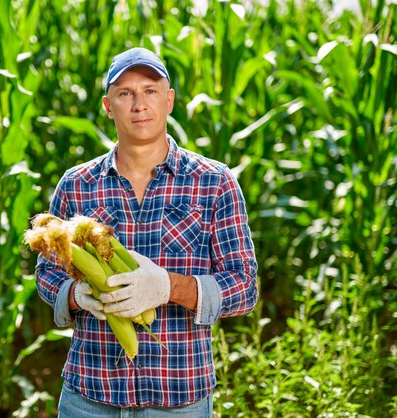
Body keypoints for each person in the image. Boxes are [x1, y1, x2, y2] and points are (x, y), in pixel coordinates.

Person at [35, 47, 258, 417]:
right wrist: (77, 294)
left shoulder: (214, 183)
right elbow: (46, 274)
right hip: (89, 396)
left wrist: (169, 287)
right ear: (109, 106)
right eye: (125, 93)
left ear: (168, 100)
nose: (139, 104)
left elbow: (245, 286)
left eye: (150, 91)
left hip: (179, 400)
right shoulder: (77, 185)